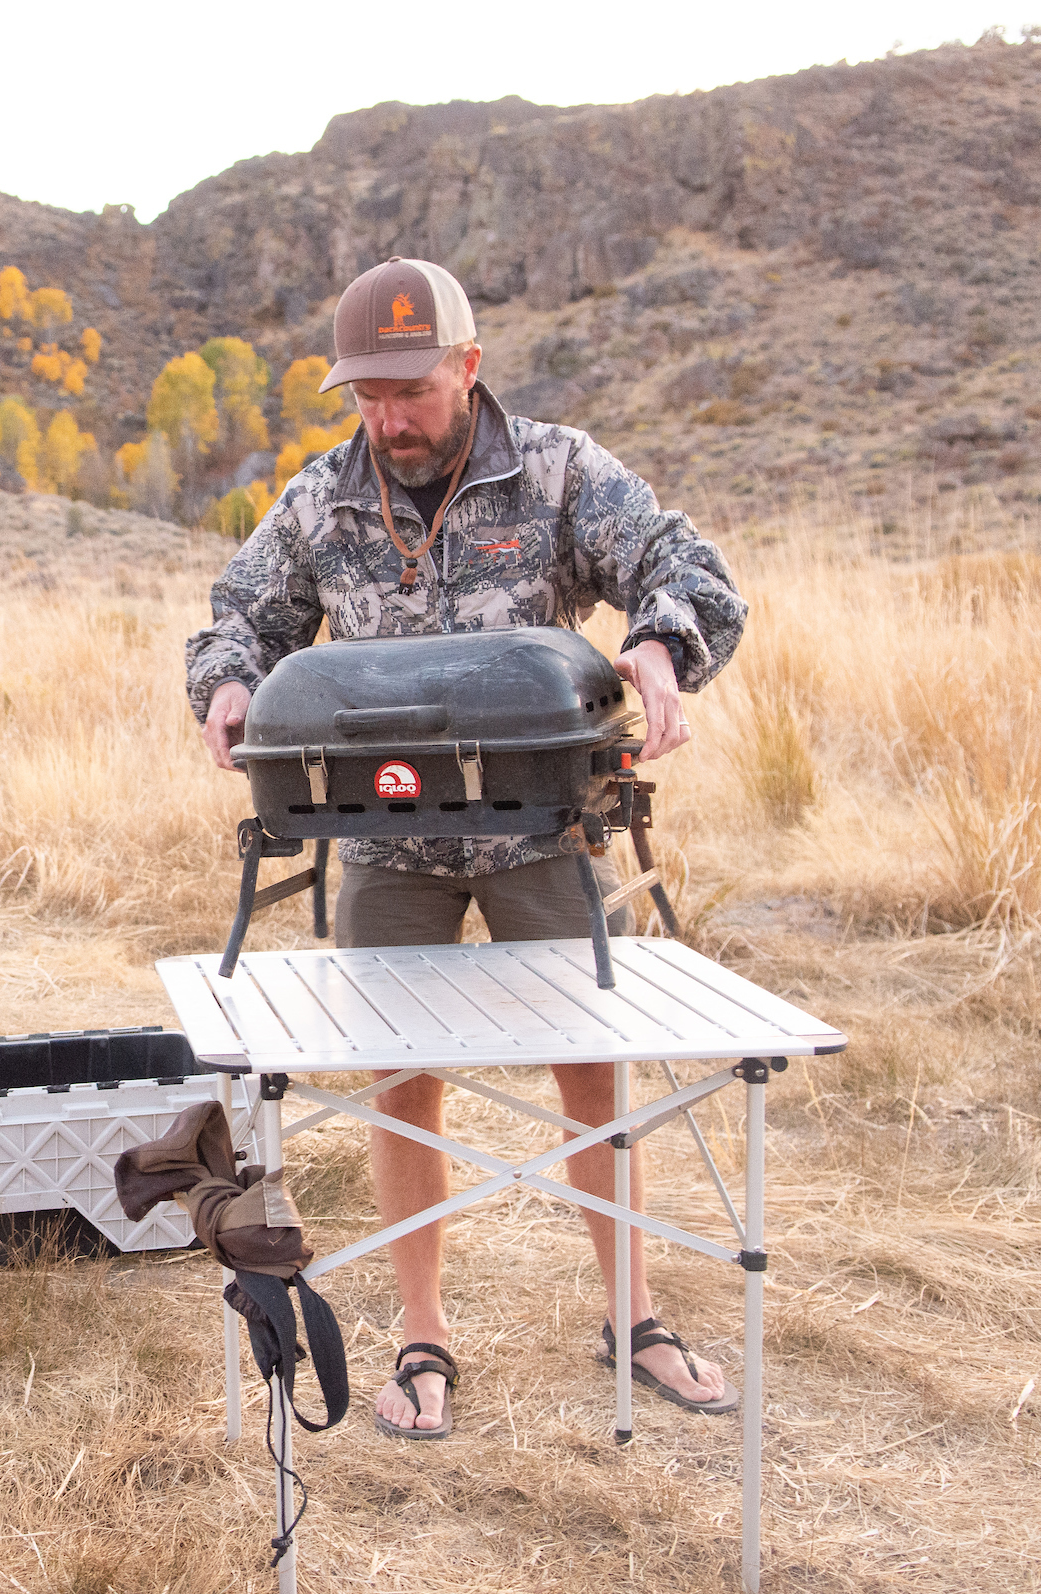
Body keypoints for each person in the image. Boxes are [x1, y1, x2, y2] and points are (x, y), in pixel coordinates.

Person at [184, 257, 748, 1441]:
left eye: (413, 391)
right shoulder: (323, 498)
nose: (390, 419)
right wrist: (228, 681)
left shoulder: (555, 470)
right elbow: (240, 612)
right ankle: (422, 1335)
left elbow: (685, 567)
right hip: (383, 844)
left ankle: (634, 1317)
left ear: (468, 366)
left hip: (542, 831)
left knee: (593, 1071)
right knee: (402, 1088)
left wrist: (658, 645)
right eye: (368, 397)